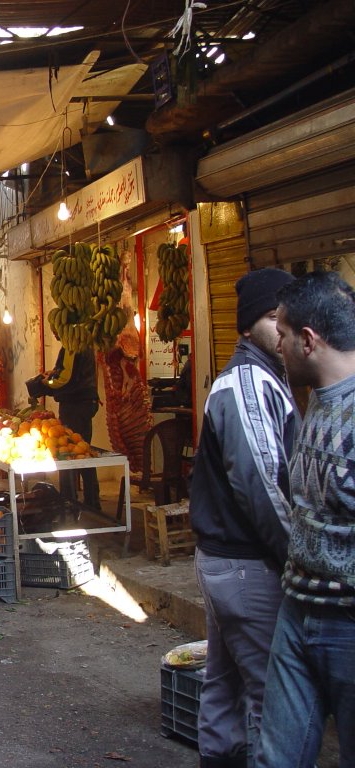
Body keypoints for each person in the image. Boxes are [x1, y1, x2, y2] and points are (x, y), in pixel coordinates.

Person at [188, 267, 297, 768]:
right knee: (267, 693)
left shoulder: (261, 380)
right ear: (251, 326)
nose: (285, 328)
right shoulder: (248, 384)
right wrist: (299, 557)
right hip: (246, 563)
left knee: (225, 680)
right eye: (274, 318)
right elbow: (262, 489)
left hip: (226, 560)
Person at [256, 271, 355, 768]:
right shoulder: (318, 396)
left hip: (347, 623)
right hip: (297, 612)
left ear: (309, 341)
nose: (277, 345)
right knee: (276, 757)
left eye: (284, 333)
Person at [26, 343, 100, 508]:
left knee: (67, 451)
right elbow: (68, 373)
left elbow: (65, 378)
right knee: (82, 450)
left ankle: (69, 499)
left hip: (75, 404)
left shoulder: (71, 345)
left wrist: (47, 382)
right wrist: (52, 374)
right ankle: (91, 500)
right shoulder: (83, 344)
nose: (55, 332)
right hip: (85, 402)